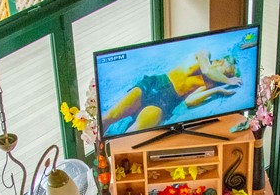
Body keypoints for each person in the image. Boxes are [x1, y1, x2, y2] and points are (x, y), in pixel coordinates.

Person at [102, 50, 242, 133]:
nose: (227, 77)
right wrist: (228, 81)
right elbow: (207, 70)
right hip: (154, 83)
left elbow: (189, 101)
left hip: (165, 102)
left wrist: (217, 89)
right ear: (220, 62)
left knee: (133, 133)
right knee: (109, 116)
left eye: (229, 76)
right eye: (228, 73)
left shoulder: (209, 84)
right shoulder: (203, 54)